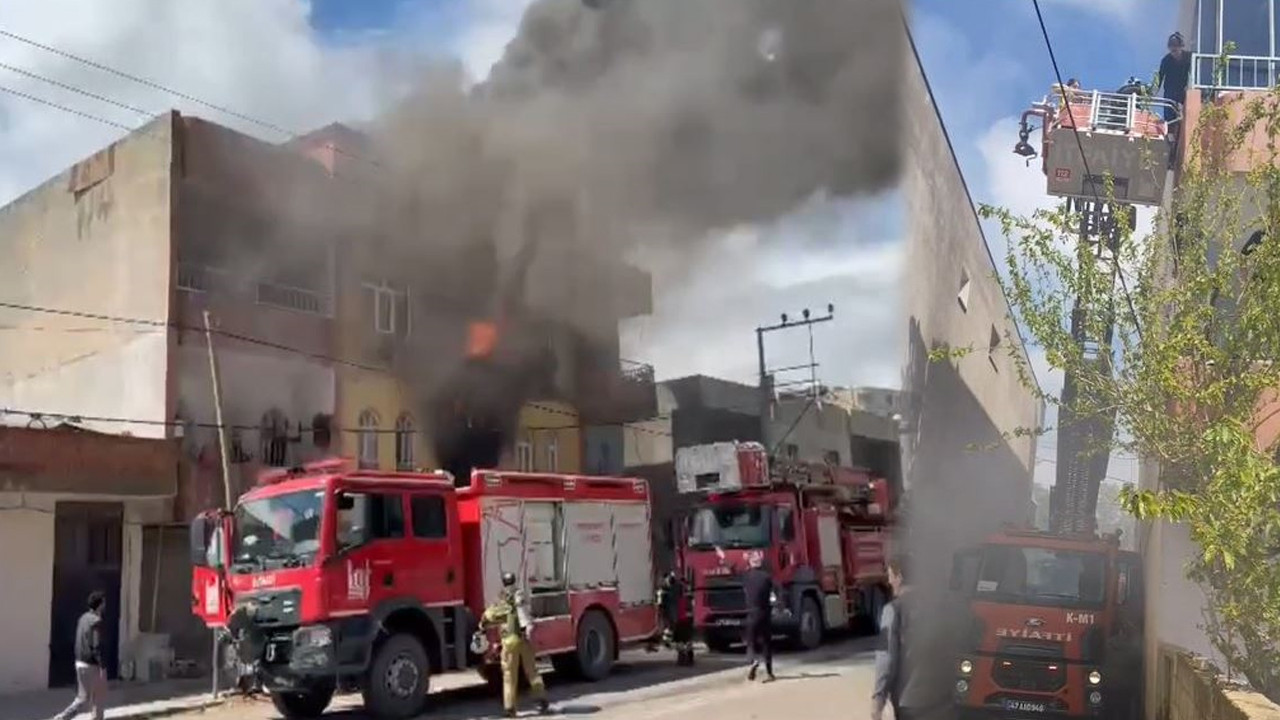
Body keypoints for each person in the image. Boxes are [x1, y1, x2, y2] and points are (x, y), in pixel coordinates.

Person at [481, 572, 551, 718]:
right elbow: (526, 615)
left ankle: (510, 708)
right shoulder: (520, 595)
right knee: (532, 671)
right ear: (514, 581)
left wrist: (482, 625)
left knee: (509, 676)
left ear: (504, 583)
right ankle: (541, 699)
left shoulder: (501, 601)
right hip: (524, 640)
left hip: (509, 642)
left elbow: (488, 617)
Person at [55, 591, 107, 720]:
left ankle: (64, 717)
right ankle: (63, 717)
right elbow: (96, 645)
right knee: (91, 699)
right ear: (100, 605)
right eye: (103, 602)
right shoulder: (96, 621)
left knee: (90, 698)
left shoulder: (83, 618)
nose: (105, 605)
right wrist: (102, 666)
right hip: (91, 665)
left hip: (80, 662)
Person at [741, 552, 775, 683]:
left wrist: (722, 557)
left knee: (750, 642)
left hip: (751, 614)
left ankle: (753, 661)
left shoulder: (746, 577)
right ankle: (769, 673)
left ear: (750, 563)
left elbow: (732, 569)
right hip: (765, 613)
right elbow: (777, 590)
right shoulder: (767, 577)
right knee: (766, 643)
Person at [1156, 31, 1191, 124]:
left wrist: (1190, 86)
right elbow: (1159, 77)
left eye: (1176, 45)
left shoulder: (1189, 57)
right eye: (1171, 46)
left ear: (1181, 46)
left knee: (1188, 109)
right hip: (1171, 91)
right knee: (1169, 112)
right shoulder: (1166, 60)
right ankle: (1170, 127)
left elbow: (1195, 71)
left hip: (1183, 88)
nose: (1173, 48)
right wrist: (1153, 91)